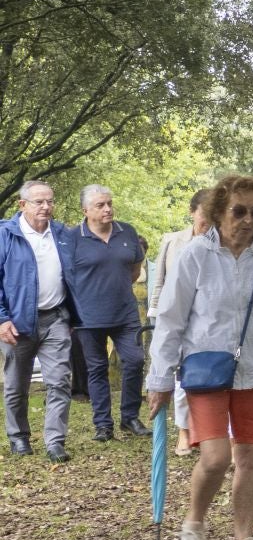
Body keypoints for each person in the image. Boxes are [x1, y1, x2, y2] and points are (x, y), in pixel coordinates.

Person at [145, 174, 253, 540]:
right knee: (216, 458)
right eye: (239, 211)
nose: (248, 219)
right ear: (220, 212)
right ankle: (193, 526)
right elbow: (170, 320)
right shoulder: (195, 255)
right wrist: (160, 379)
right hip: (207, 370)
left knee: (251, 456)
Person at [0, 181, 76, 463]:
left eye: (50, 201)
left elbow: (73, 275)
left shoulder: (62, 234)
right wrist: (2, 319)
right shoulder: (6, 235)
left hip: (55, 317)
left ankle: (55, 441)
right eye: (39, 202)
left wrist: (73, 313)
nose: (46, 207)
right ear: (22, 205)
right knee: (16, 385)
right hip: (17, 323)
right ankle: (18, 437)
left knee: (59, 381)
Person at [67, 184, 149, 440]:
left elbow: (135, 269)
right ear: (85, 211)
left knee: (135, 361)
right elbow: (66, 276)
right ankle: (103, 425)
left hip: (125, 314)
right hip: (88, 316)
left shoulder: (128, 231)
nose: (108, 209)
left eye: (109, 203)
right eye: (100, 205)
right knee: (97, 369)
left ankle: (130, 417)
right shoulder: (72, 238)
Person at [150, 190, 212, 457]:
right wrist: (155, 312)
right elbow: (161, 281)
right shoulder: (173, 241)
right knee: (177, 377)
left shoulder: (222, 242)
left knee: (206, 375)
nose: (207, 218)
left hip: (207, 322)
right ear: (192, 212)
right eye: (203, 212)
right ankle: (184, 431)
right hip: (175, 318)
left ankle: (210, 433)